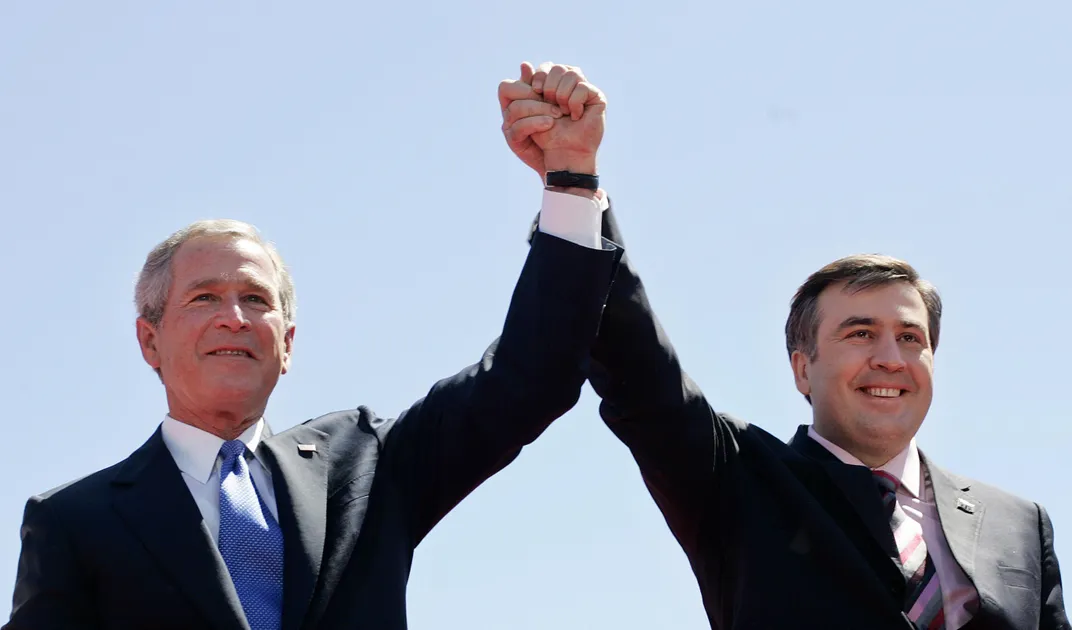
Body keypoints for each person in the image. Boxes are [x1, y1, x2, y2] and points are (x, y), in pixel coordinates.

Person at [5, 61, 619, 630]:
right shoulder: (76, 523)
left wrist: (568, 179)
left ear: (288, 343)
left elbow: (528, 377)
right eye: (202, 299)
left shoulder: (366, 463)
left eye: (257, 299)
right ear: (149, 339)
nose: (234, 318)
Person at [507, 63, 1069, 630]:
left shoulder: (1019, 524)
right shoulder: (739, 482)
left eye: (910, 338)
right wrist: (574, 178)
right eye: (860, 333)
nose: (890, 359)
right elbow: (637, 361)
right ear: (803, 369)